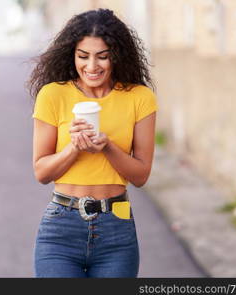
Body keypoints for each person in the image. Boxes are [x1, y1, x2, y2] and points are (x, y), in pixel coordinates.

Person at [27, 8, 157, 278]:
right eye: (83, 56)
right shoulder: (53, 95)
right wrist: (74, 148)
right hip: (61, 228)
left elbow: (141, 175)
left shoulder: (139, 97)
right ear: (72, 55)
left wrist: (107, 147)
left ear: (116, 56)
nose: (92, 66)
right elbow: (42, 172)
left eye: (102, 56)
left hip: (117, 228)